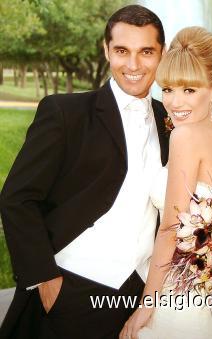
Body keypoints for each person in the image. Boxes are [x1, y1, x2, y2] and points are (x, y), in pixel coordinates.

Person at [0, 5, 169, 338]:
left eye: (146, 51)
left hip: (139, 294)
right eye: (122, 51)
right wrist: (46, 281)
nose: (133, 65)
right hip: (70, 290)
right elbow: (17, 199)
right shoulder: (65, 113)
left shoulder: (172, 120)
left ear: (161, 54)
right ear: (106, 50)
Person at [119, 26, 212, 339]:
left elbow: (170, 229)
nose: (175, 102)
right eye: (168, 89)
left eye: (189, 90)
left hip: (182, 299)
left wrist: (146, 306)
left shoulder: (185, 135)